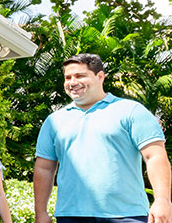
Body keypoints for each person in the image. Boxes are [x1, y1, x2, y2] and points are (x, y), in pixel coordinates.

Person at [34, 53, 170, 223]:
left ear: (100, 76)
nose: (72, 82)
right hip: (71, 215)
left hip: (126, 215)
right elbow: (44, 168)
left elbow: (155, 156)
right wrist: (40, 213)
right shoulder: (53, 121)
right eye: (67, 77)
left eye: (80, 76)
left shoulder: (131, 111)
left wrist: (162, 201)